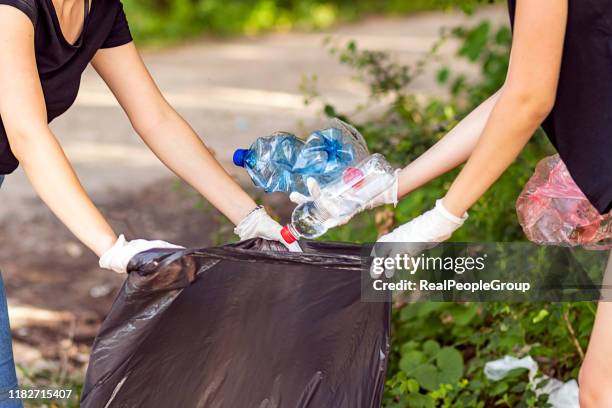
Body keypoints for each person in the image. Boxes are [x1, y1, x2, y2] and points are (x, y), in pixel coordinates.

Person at [0, 0, 298, 404]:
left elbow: (154, 117)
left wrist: (250, 217)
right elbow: (28, 135)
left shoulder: (98, 8)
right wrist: (113, 249)